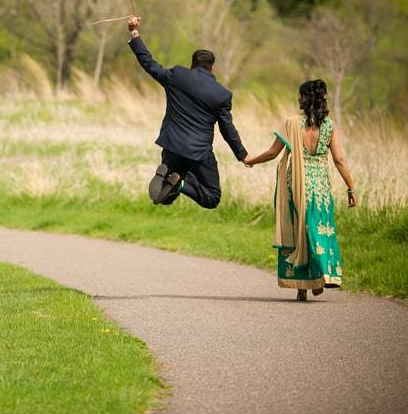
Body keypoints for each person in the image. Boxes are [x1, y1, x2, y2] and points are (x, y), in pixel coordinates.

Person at [244, 79, 356, 301]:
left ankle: (303, 286)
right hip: (320, 187)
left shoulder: (292, 123)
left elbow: (272, 153)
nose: (297, 99)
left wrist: (251, 160)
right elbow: (339, 160)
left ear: (305, 99)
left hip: (295, 185)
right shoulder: (329, 126)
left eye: (300, 95)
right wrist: (351, 188)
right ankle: (322, 275)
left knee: (299, 232)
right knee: (317, 229)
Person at [126, 16, 248, 208]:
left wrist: (134, 33)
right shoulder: (222, 95)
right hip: (199, 153)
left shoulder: (177, 76)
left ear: (192, 64)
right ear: (212, 67)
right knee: (212, 198)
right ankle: (181, 184)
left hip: (172, 146)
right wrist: (242, 155)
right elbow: (228, 130)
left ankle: (177, 181)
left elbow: (149, 63)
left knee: (163, 198)